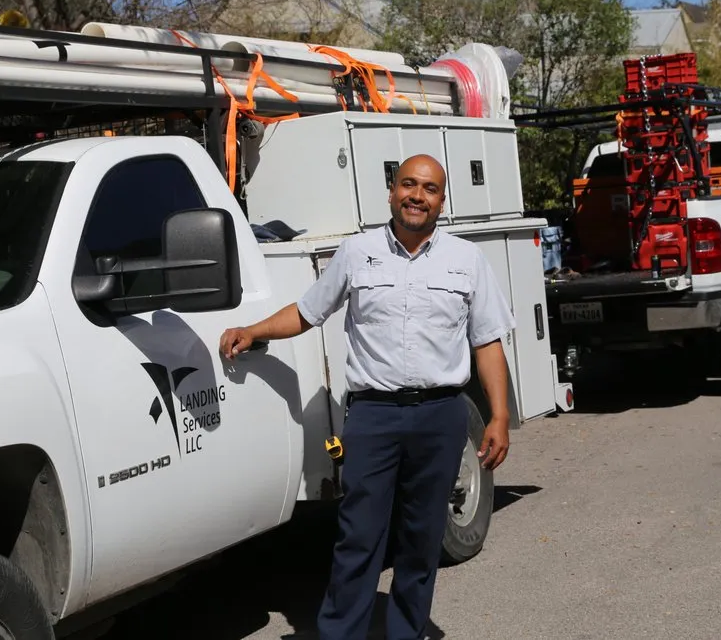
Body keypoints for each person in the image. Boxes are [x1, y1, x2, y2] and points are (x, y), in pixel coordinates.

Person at [219, 154, 516, 640]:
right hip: (374, 418)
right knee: (359, 537)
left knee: (422, 539)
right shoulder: (357, 253)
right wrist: (253, 330)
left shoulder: (467, 260)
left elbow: (487, 342)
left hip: (441, 416)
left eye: (430, 189)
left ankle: (406, 632)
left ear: (442, 201)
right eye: (409, 185)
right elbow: (308, 311)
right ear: (392, 192)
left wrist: (499, 415)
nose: (417, 196)